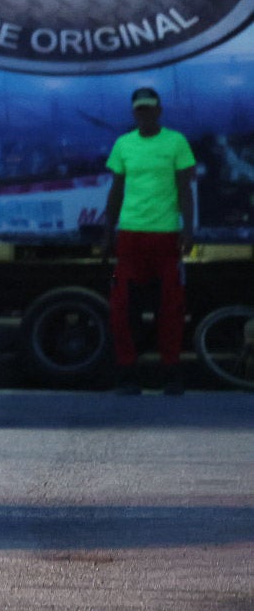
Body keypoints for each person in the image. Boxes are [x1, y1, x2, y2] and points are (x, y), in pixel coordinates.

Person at [102, 86, 196, 395]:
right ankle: (127, 374)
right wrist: (108, 230)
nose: (144, 113)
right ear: (134, 112)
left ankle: (171, 373)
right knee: (122, 307)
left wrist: (188, 228)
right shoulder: (123, 144)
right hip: (129, 238)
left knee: (170, 306)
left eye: (149, 108)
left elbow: (185, 189)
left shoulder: (176, 142)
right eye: (139, 109)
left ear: (159, 110)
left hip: (166, 237)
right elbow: (116, 190)